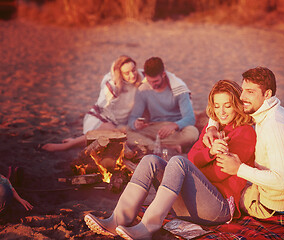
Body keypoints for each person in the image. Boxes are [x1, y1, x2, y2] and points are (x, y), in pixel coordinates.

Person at [83, 80, 256, 239]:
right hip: (191, 206)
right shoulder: (212, 129)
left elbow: (218, 175)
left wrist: (192, 168)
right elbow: (193, 158)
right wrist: (209, 153)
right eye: (217, 106)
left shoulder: (245, 132)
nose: (221, 111)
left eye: (227, 105)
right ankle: (117, 219)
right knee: (151, 160)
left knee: (178, 162)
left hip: (218, 209)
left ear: (237, 105)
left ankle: (148, 227)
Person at [204, 67, 284, 219]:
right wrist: (212, 126)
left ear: (267, 94)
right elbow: (225, 104)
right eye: (243, 90)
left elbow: (283, 182)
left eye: (250, 92)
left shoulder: (275, 127)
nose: (242, 97)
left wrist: (239, 169)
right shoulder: (269, 109)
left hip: (277, 204)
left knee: (223, 192)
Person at [41, 55, 143, 152]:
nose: (132, 74)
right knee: (113, 132)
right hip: (102, 119)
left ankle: (75, 141)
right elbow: (104, 107)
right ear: (120, 74)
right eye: (127, 73)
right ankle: (66, 146)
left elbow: (153, 72)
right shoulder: (112, 85)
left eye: (133, 70)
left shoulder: (141, 76)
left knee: (118, 135)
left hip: (121, 123)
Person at [126, 57, 199, 154]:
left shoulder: (179, 88)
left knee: (193, 133)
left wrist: (174, 125)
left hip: (177, 129)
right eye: (149, 80)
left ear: (163, 74)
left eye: (155, 81)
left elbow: (190, 118)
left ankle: (151, 145)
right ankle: (165, 146)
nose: (152, 84)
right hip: (155, 128)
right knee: (126, 133)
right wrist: (135, 124)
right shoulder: (143, 89)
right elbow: (133, 117)